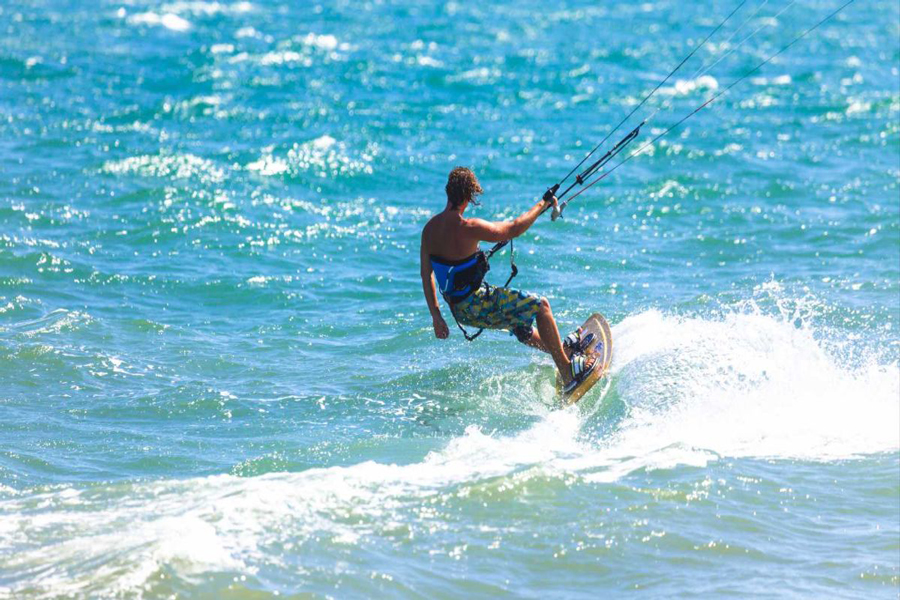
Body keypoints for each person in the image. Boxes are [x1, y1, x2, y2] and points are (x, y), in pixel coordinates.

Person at [419, 167, 596, 392]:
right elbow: (514, 228)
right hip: (477, 303)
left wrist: (436, 316)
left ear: (448, 192)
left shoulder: (429, 230)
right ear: (469, 196)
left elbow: (427, 276)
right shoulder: (469, 227)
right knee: (540, 307)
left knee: (520, 325)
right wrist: (543, 203)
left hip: (460, 311)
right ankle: (567, 370)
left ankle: (564, 351)